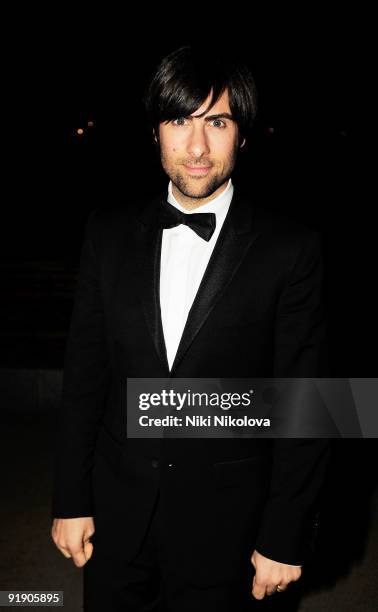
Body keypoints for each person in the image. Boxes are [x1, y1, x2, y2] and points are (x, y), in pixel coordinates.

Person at [51, 45, 331, 611]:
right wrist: (70, 497)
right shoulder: (106, 234)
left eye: (218, 122)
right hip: (116, 520)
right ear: (156, 132)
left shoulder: (292, 250)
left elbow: (308, 403)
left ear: (243, 135)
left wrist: (284, 533)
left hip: (228, 530)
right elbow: (84, 377)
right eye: (180, 120)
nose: (197, 147)